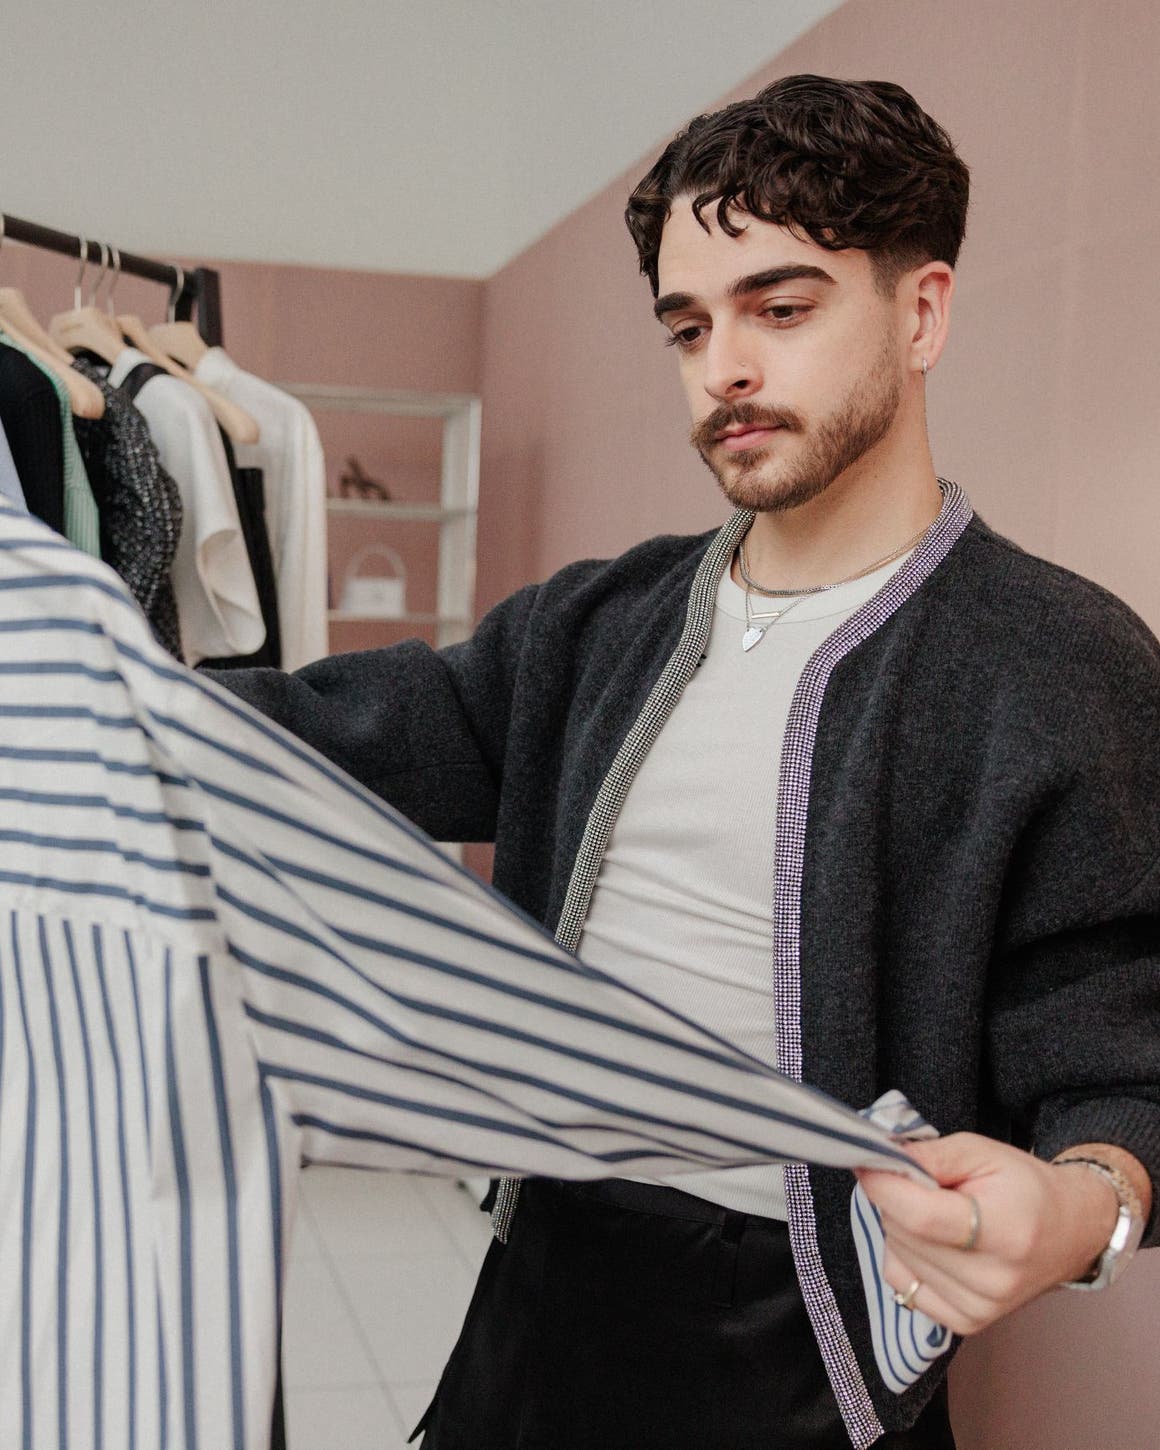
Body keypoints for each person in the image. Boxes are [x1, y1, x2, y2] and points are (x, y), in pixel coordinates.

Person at [214, 76, 1160, 1448]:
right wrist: (89, 691)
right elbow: (344, 730)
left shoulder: (1057, 662)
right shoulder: (603, 621)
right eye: (688, 325)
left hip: (812, 1344)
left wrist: (1083, 1209)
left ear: (922, 310)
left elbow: (1124, 1060)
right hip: (544, 1274)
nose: (723, 366)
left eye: (781, 310)